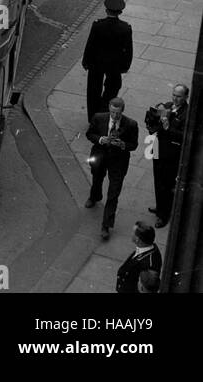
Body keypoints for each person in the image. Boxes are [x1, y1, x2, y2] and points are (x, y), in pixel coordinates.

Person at [86, 97, 139, 241]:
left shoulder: (131, 124)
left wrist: (123, 145)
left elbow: (134, 144)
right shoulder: (99, 118)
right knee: (97, 178)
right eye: (112, 112)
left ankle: (106, 225)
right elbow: (89, 134)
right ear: (109, 108)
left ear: (122, 111)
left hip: (119, 161)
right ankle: (94, 196)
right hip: (100, 156)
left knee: (113, 193)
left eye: (118, 113)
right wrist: (101, 139)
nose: (115, 116)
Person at [82, 0, 133, 121]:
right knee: (112, 88)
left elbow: (90, 45)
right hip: (114, 65)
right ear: (120, 12)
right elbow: (128, 50)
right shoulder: (125, 28)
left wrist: (86, 61)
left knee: (93, 90)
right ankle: (104, 111)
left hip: (96, 63)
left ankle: (93, 116)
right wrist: (125, 66)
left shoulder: (98, 25)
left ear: (106, 10)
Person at [144, 84, 189, 227]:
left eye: (179, 96)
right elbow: (155, 124)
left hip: (172, 154)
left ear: (186, 97)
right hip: (158, 148)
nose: (175, 99)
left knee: (167, 183)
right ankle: (160, 206)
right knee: (158, 179)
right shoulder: (168, 105)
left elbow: (184, 136)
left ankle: (164, 215)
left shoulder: (186, 114)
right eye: (174, 95)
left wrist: (168, 127)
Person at [114, 222, 162, 293]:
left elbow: (147, 289)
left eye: (133, 233)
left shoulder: (149, 265)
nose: (131, 234)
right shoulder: (145, 248)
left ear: (138, 239)